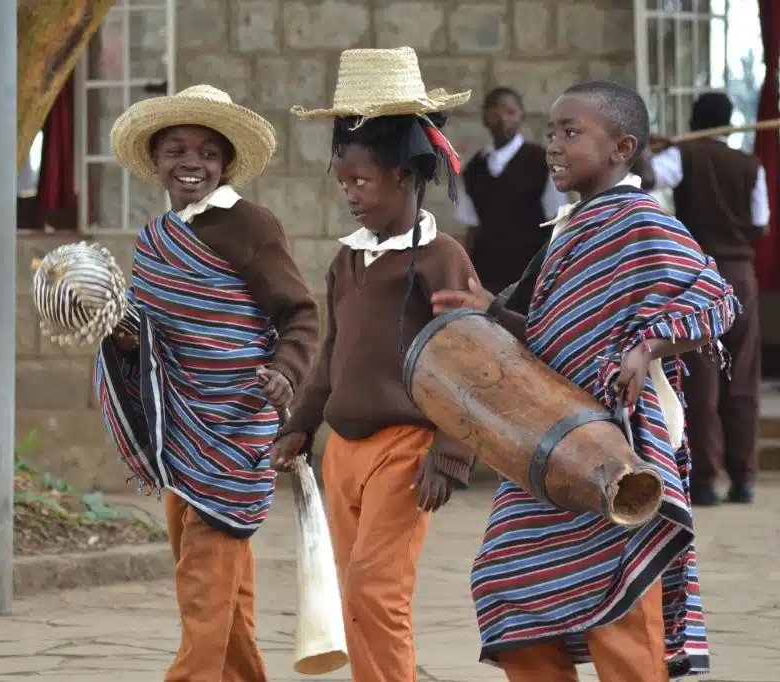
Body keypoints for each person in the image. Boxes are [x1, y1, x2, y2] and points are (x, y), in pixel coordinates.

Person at [432, 80, 739, 681]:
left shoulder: (644, 222)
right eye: (551, 132)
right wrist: (493, 310)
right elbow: (559, 339)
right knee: (505, 584)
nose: (553, 145)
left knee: (619, 604)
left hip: (617, 448)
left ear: (622, 148)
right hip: (547, 444)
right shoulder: (570, 228)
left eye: (571, 133)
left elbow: (718, 303)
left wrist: (648, 345)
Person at [98, 84, 320, 682]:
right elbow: (150, 331)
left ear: (225, 163)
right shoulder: (155, 238)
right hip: (180, 429)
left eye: (207, 152)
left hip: (233, 427)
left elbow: (299, 313)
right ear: (156, 160)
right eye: (176, 150)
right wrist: (118, 331)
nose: (190, 162)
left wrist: (286, 372)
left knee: (203, 583)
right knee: (224, 585)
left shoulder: (250, 225)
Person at [270, 46, 477, 682]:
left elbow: (472, 360)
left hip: (407, 449)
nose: (350, 195)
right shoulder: (347, 260)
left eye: (361, 182)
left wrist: (450, 450)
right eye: (343, 183)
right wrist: (301, 424)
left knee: (376, 590)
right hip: (343, 452)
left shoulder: (441, 258)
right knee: (351, 595)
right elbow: (332, 353)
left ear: (406, 176)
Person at [634, 91, 770, 506]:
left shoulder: (684, 156)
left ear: (694, 121)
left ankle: (705, 480)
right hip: (741, 277)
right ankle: (743, 479)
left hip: (698, 278)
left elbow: (648, 179)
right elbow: (761, 225)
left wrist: (646, 148)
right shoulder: (750, 165)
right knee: (742, 379)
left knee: (701, 378)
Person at [455, 86, 568, 295]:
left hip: (531, 277)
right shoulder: (474, 169)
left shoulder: (541, 162)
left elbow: (557, 221)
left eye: (510, 112)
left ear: (521, 116)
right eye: (495, 112)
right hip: (486, 278)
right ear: (484, 118)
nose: (502, 119)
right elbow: (472, 229)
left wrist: (551, 274)